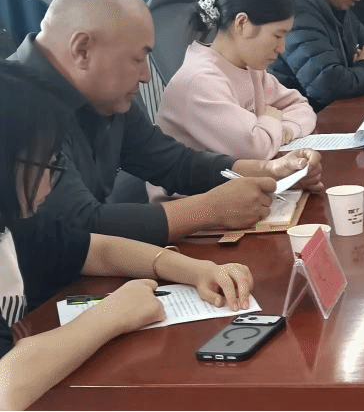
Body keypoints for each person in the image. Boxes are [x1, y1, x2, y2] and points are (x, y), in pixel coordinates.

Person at [0, 62, 255, 411]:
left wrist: (195, 269)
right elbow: (6, 384)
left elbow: (95, 249)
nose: (53, 181)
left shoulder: (18, 223)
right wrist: (112, 314)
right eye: (48, 165)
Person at [7, 0, 321, 246]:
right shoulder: (16, 106)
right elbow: (78, 225)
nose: (146, 75)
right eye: (137, 59)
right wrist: (207, 210)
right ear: (82, 50)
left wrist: (269, 170)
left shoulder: (106, 94)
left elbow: (172, 163)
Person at [156, 0, 316, 159]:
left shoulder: (251, 69)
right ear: (242, 24)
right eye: (277, 35)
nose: (282, 48)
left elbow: (301, 106)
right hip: (201, 180)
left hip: (242, 174)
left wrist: (286, 129)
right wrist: (270, 119)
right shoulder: (200, 81)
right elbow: (256, 149)